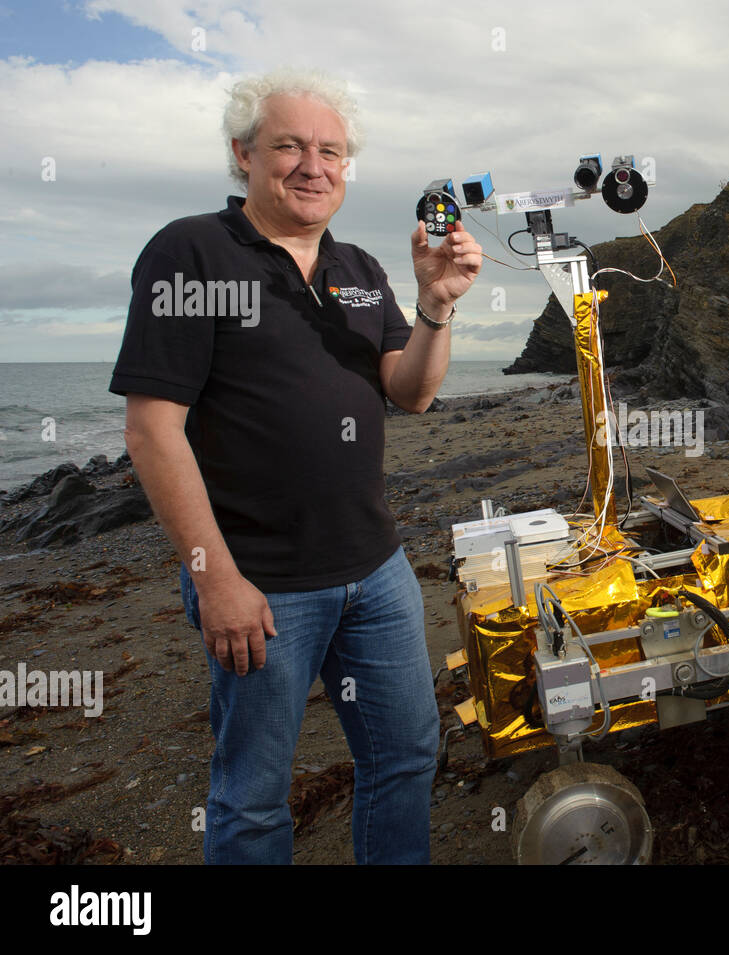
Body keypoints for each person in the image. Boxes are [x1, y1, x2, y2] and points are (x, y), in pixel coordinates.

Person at [109, 69, 481, 864]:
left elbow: (409, 393)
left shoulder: (358, 267)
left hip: (375, 569)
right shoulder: (192, 252)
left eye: (331, 151)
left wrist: (437, 305)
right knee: (251, 799)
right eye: (290, 146)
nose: (314, 165)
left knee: (407, 756)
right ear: (243, 154)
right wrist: (215, 579)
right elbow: (151, 430)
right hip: (260, 583)